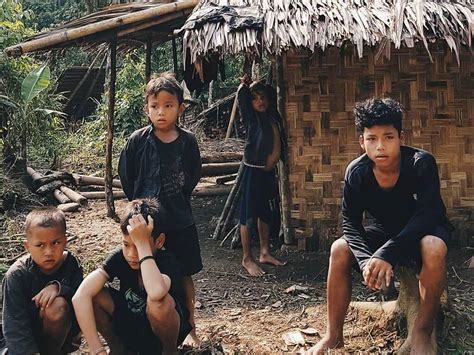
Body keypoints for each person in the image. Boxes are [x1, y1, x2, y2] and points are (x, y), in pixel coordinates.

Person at [306, 97, 453, 354]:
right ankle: (333, 335)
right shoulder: (357, 173)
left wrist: (386, 253)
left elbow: (427, 215)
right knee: (339, 249)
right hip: (387, 231)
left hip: (424, 230)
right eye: (372, 139)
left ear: (401, 137)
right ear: (361, 141)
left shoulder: (421, 164)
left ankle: (422, 333)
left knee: (434, 247)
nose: (380, 146)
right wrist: (366, 263)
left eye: (388, 137)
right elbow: (350, 223)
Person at [118, 72, 202, 346]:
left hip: (180, 220)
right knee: (142, 271)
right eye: (155, 106)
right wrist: (139, 209)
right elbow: (127, 176)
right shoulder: (137, 141)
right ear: (147, 109)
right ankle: (145, 324)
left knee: (184, 272)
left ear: (180, 107)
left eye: (168, 105)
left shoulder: (187, 141)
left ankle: (189, 325)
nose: (161, 112)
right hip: (146, 224)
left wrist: (178, 200)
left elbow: (192, 175)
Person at [72, 199, 191, 354]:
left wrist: (143, 247)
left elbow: (156, 292)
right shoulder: (119, 257)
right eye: (126, 245)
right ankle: (119, 350)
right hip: (132, 328)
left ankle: (169, 352)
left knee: (159, 302)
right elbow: (80, 296)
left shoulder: (166, 260)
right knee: (96, 295)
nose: (131, 254)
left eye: (139, 245)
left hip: (164, 332)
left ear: (159, 241)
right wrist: (97, 349)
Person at [2, 207, 83, 355]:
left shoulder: (72, 264)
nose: (48, 252)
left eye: (56, 243)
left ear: (65, 241)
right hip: (23, 342)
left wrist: (59, 288)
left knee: (57, 306)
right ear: (27, 246)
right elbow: (14, 325)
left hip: (57, 342)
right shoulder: (16, 275)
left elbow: (81, 304)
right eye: (40, 245)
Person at [237, 73, 287, 277]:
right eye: (255, 98)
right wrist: (243, 87)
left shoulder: (273, 118)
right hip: (253, 170)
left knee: (265, 213)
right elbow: (242, 102)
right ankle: (247, 258)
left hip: (267, 173)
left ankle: (264, 252)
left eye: (263, 97)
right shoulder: (251, 119)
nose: (261, 101)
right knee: (247, 215)